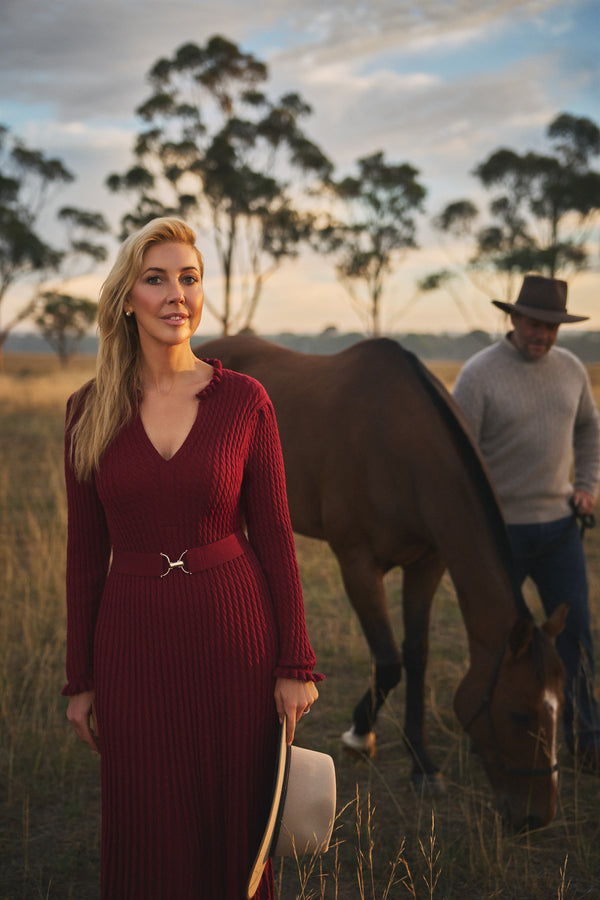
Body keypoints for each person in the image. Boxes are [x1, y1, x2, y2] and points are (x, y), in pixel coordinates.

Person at [62, 216, 322, 899]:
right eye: (157, 279)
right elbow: (85, 556)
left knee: (238, 833)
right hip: (133, 644)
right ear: (126, 299)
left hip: (236, 639)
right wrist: (79, 678)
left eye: (190, 278)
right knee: (149, 830)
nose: (178, 294)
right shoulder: (87, 412)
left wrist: (296, 663)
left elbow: (275, 536)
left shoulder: (244, 400)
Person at [453, 274, 600, 772]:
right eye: (534, 323)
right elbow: (459, 456)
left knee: (576, 628)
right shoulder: (478, 374)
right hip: (501, 538)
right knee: (500, 643)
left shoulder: (572, 370)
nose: (542, 334)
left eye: (552, 326)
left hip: (559, 529)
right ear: (514, 319)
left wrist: (588, 485)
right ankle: (490, 728)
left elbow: (587, 430)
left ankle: (588, 732)